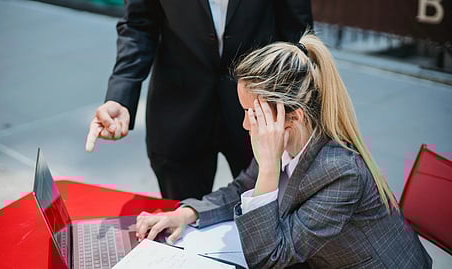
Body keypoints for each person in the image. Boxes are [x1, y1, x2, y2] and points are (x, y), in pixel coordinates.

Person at [133, 32, 433, 268]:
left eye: (253, 113)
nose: (245, 124)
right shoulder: (287, 141)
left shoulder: (340, 173)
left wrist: (267, 169)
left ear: (293, 117)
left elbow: (269, 258)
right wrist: (186, 213)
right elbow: (240, 189)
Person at [85, 0, 313, 201]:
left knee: (263, 217)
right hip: (179, 109)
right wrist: (121, 95)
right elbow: (138, 24)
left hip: (258, 113)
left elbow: (296, 34)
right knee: (180, 226)